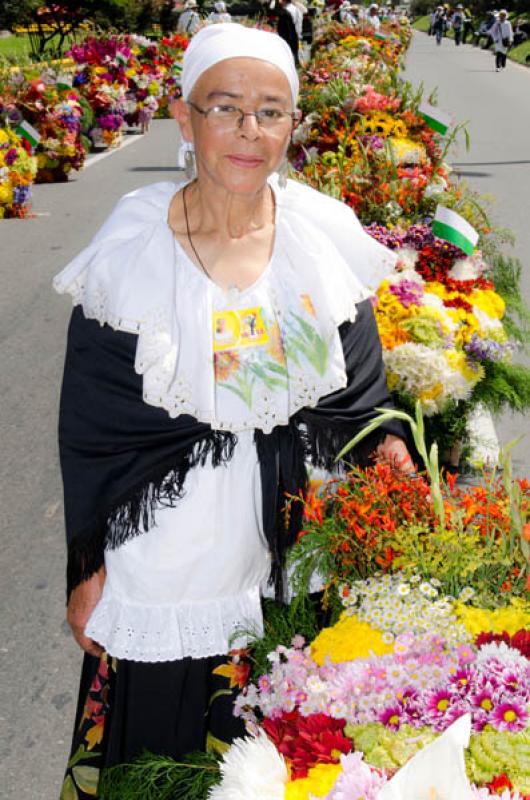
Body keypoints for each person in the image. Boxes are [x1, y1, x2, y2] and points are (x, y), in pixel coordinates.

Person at [54, 22, 413, 798]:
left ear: (294, 125)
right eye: (226, 108)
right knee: (166, 762)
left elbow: (362, 402)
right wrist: (88, 565)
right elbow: (94, 427)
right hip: (173, 560)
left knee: (293, 759)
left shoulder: (320, 238)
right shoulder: (134, 249)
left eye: (272, 111)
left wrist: (402, 506)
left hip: (299, 555)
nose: (251, 132)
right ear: (185, 118)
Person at [277, 0, 300, 64]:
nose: (280, 2)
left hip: (288, 35)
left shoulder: (286, 11)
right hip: (293, 34)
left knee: (290, 54)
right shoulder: (294, 8)